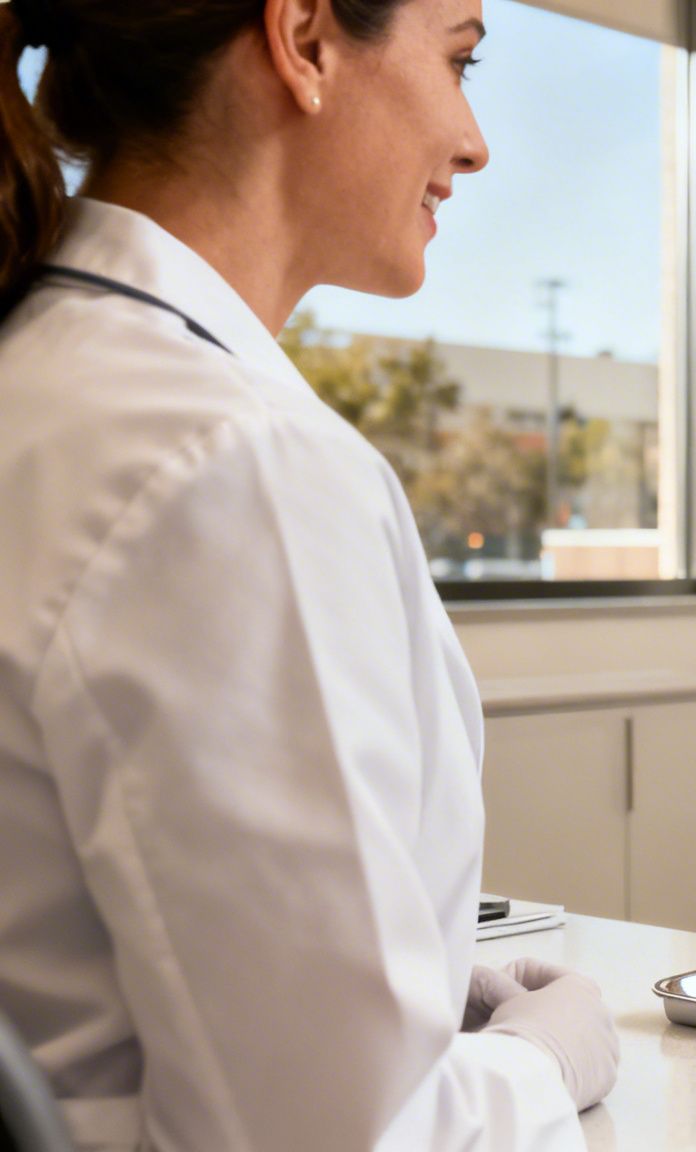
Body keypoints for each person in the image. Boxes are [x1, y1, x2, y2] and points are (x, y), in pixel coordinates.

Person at [0, 2, 617, 1148]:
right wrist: (545, 1060)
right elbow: (340, 1137)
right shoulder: (228, 462)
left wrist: (394, 998)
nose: (475, 139)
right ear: (306, 41)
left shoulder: (50, 379)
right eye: (458, 61)